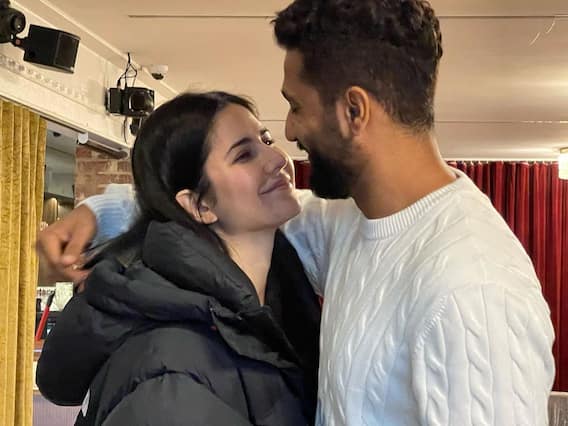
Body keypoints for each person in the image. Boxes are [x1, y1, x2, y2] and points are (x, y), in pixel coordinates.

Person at [37, 0, 555, 424]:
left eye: (296, 105)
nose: (288, 134)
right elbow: (210, 207)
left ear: (353, 111)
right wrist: (96, 210)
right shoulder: (349, 225)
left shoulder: (472, 290)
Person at [36, 91, 322, 426]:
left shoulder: (269, 311)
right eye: (244, 154)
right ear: (200, 205)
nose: (277, 158)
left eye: (266, 140)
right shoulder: (171, 371)